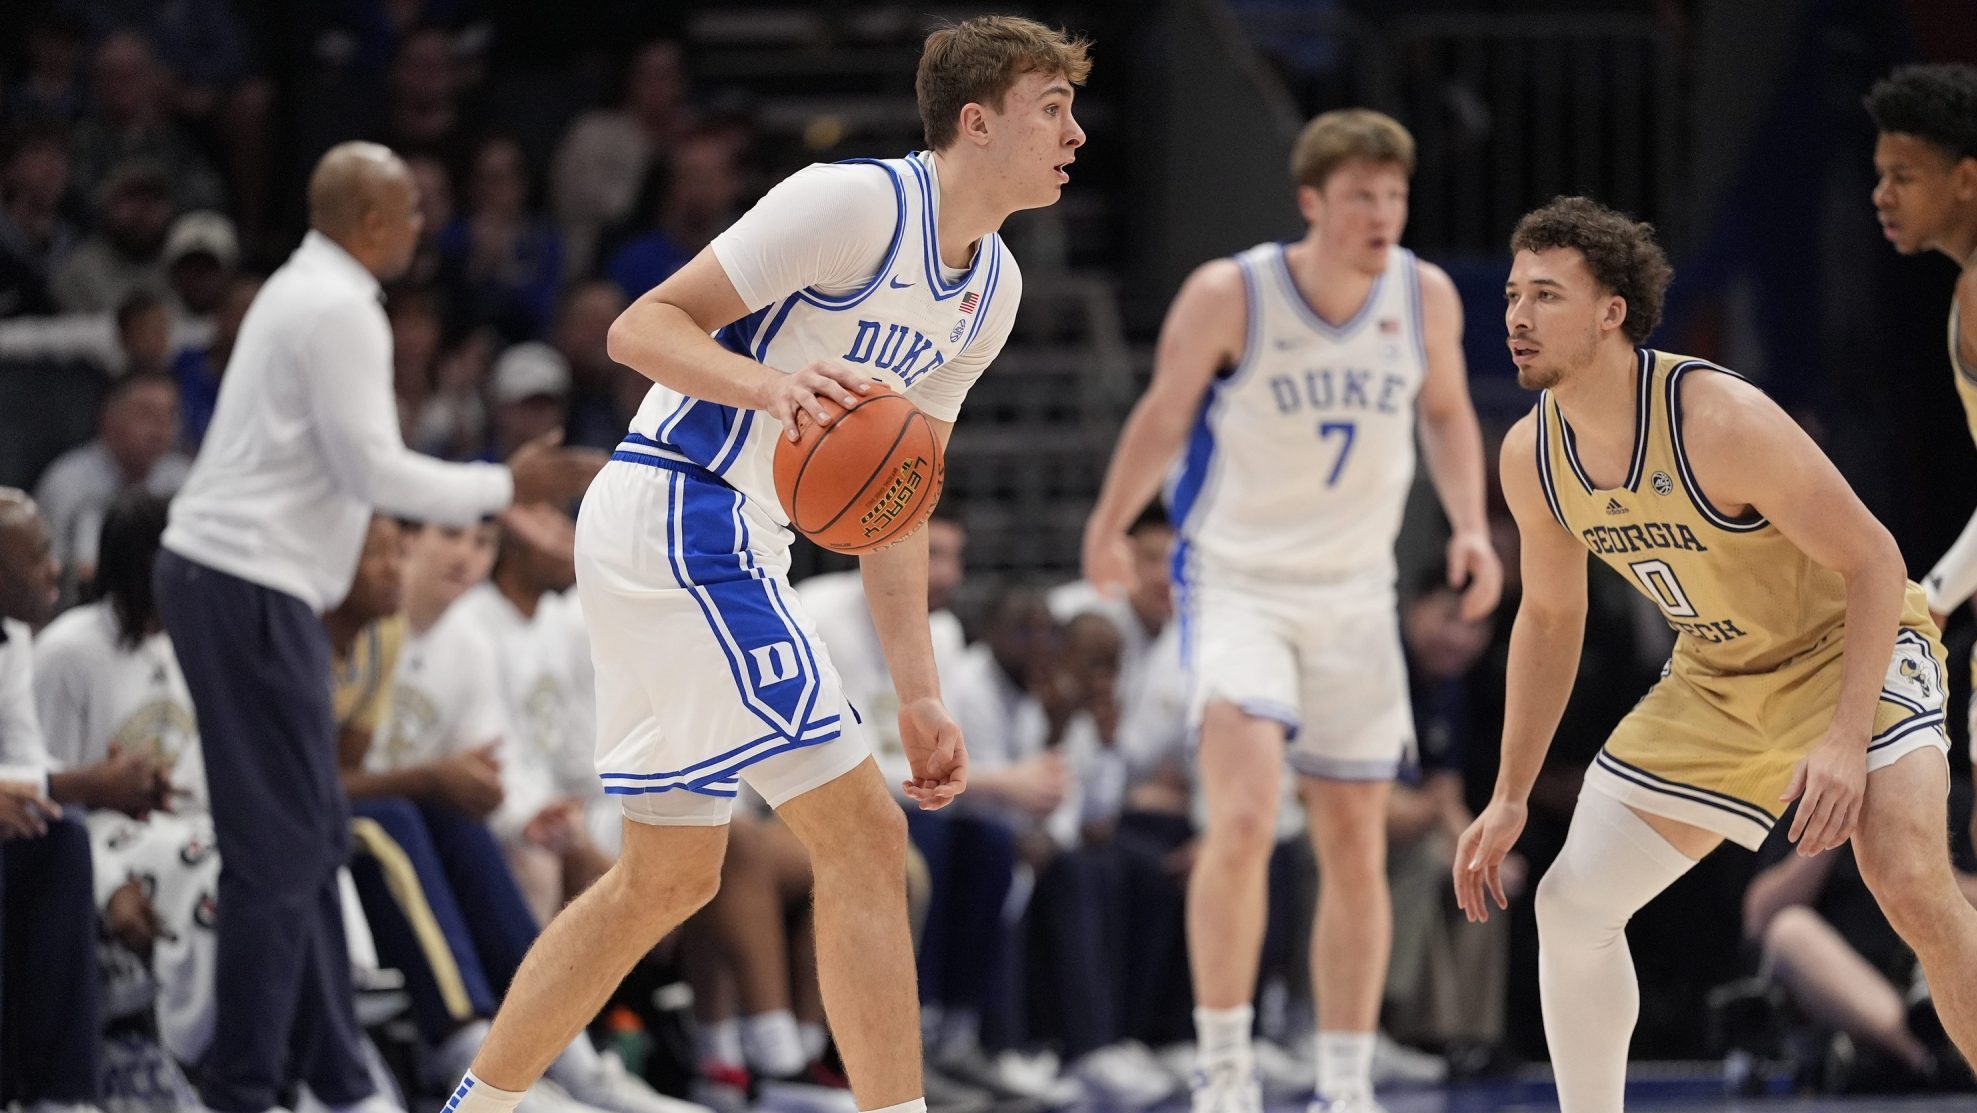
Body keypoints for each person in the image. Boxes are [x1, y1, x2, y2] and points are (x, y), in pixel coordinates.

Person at [450, 19, 1088, 1113]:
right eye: (1053, 108)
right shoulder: (851, 206)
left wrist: (920, 691)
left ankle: (477, 1105)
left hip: (733, 539)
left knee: (668, 877)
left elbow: (896, 499)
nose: (1077, 131)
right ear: (975, 124)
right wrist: (770, 390)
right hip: (678, 508)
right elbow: (639, 328)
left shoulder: (991, 294)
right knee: (864, 833)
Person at [1452, 196, 1977, 1113]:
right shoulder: (1529, 455)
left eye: (1545, 295)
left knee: (1908, 884)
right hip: (1718, 678)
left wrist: (1846, 739)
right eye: (1510, 296)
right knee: (1570, 905)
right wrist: (1505, 793)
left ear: (1611, 311)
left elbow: (1874, 560)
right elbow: (1547, 620)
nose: (1516, 318)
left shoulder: (1717, 419)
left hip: (1851, 647)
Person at [153, 141, 601, 1113]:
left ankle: (337, 1080)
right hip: (244, 580)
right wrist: (504, 482)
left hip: (238, 580)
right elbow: (374, 473)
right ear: (368, 222)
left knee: (311, 838)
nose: (419, 229)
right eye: (407, 213)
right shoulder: (338, 306)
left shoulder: (300, 292)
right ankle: (249, 1087)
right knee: (279, 853)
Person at [1080, 108, 1500, 1113]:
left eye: (1394, 194)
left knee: (1354, 842)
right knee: (1243, 813)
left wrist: (1472, 525)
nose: (1382, 213)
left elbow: (1445, 412)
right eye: (1361, 194)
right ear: (1312, 200)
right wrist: (1110, 520)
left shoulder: (1424, 295)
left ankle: (1345, 1082)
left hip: (1356, 595)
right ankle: (1225, 1071)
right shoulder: (1235, 292)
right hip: (1238, 584)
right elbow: (1163, 413)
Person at [0, 489, 107, 1113]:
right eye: (38, 555)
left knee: (60, 837)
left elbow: (25, 763)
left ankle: (63, 1095)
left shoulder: (12, 640)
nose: (56, 568)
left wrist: (78, 786)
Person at [33, 369, 190, 586]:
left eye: (169, 415)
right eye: (146, 414)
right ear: (109, 416)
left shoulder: (186, 481)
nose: (160, 429)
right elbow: (42, 572)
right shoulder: (66, 483)